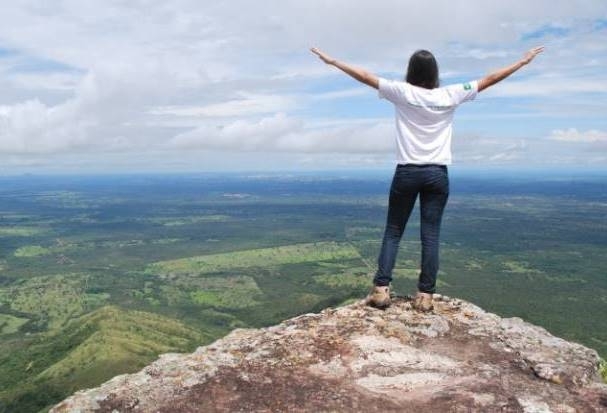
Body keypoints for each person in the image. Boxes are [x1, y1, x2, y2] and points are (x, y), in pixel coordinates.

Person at [311, 45, 544, 311]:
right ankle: (425, 296)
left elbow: (364, 75)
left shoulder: (402, 92)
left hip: (407, 171)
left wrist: (334, 61)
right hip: (437, 173)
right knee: (430, 235)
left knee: (393, 231)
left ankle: (381, 290)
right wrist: (521, 62)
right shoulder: (451, 94)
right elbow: (489, 79)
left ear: (410, 71)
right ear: (435, 73)